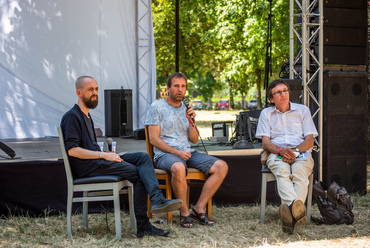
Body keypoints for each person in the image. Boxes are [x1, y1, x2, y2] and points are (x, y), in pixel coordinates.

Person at [60, 76, 183, 238]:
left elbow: (89, 148)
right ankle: (144, 224)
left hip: (98, 162)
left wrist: (108, 155)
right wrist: (103, 155)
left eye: (96, 89)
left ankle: (156, 199)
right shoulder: (72, 117)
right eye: (90, 90)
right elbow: (73, 150)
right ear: (79, 92)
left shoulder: (87, 116)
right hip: (89, 168)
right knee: (139, 174)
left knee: (143, 158)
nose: (95, 93)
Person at [145, 72, 228, 228]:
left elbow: (195, 139)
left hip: (187, 152)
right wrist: (177, 153)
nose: (180, 90)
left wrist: (191, 121)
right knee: (178, 167)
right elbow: (153, 139)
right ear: (168, 88)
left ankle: (198, 209)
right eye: (176, 86)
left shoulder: (187, 108)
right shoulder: (157, 107)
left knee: (221, 166)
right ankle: (184, 213)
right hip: (165, 155)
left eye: (183, 86)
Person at [255, 79, 318, 234]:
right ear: (272, 99)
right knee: (282, 172)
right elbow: (266, 142)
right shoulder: (266, 113)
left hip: (300, 151)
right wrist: (282, 151)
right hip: (277, 152)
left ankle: (289, 214)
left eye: (285, 91)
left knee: (300, 174)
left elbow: (310, 140)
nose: (283, 94)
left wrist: (295, 152)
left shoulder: (302, 110)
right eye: (278, 92)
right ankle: (296, 212)